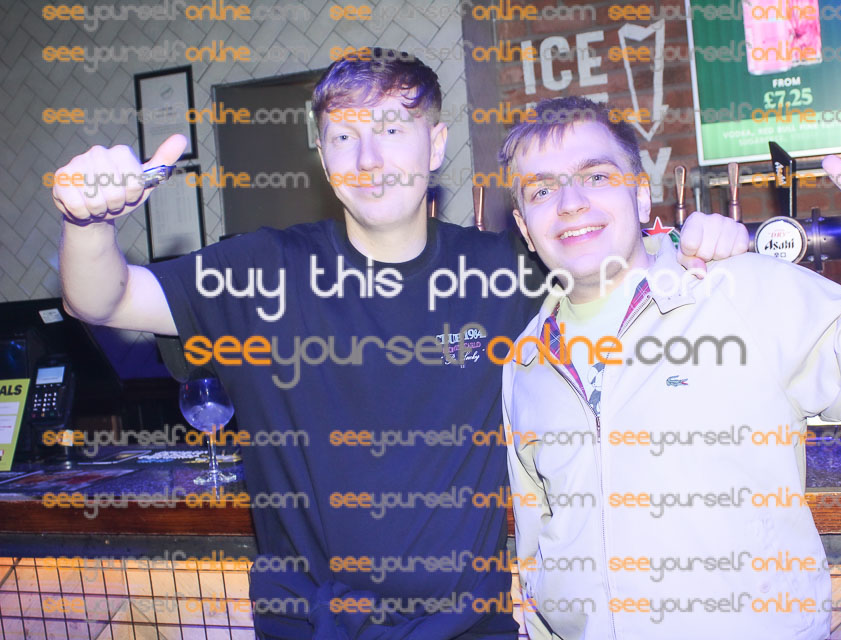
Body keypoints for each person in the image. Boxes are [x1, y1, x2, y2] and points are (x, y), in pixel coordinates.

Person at [52, 53, 746, 639]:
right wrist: (88, 222)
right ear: (323, 155)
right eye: (344, 136)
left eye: (392, 128)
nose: (370, 158)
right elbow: (102, 299)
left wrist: (700, 243)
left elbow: (614, 265)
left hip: (470, 630)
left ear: (435, 146)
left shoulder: (508, 270)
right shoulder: (260, 269)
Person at [499, 95, 841, 639]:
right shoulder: (527, 360)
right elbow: (538, 533)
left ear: (641, 194)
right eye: (542, 190)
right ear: (524, 226)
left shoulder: (742, 292)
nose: (571, 203)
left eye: (596, 176)